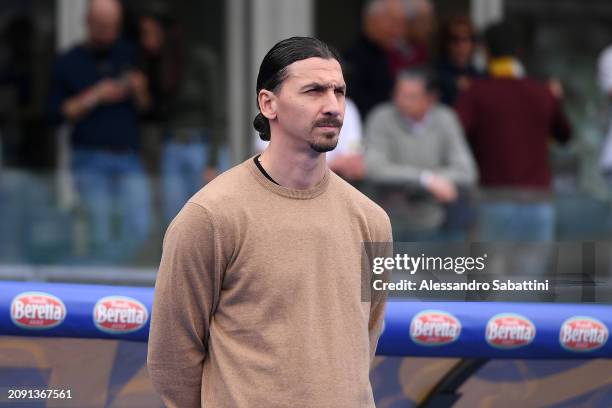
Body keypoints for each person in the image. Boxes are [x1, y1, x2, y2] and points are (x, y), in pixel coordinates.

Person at [147, 37, 392, 407]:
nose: (332, 106)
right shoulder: (210, 217)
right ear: (268, 103)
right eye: (313, 90)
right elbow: (172, 356)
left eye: (339, 92)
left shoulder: (372, 221)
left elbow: (366, 336)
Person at [47, 0, 151, 260]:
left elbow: (148, 109)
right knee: (100, 230)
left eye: (112, 27)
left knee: (140, 224)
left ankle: (125, 277)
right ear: (88, 23)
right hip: (89, 158)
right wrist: (96, 96)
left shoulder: (128, 54)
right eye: (102, 27)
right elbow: (56, 114)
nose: (107, 33)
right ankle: (104, 288)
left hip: (128, 156)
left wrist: (138, 90)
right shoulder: (69, 61)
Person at [455, 21, 571, 243]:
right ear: (520, 52)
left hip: (494, 197)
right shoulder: (543, 92)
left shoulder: (476, 93)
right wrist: (556, 99)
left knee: (494, 273)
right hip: (538, 198)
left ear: (485, 51)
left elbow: (455, 134)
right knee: (531, 276)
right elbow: (565, 135)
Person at [364, 69, 477, 241]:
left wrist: (425, 180)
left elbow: (466, 171)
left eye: (411, 97)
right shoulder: (382, 117)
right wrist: (425, 179)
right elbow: (374, 168)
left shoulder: (445, 119)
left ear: (431, 98)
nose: (401, 101)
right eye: (398, 94)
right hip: (388, 223)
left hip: (435, 221)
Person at [137, 13, 229, 224]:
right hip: (171, 148)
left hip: (202, 146)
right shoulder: (152, 65)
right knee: (176, 222)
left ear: (165, 34)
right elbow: (152, 116)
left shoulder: (200, 60)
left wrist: (212, 161)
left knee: (212, 219)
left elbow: (217, 112)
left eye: (149, 34)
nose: (145, 40)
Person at [344, 0, 409, 118]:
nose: (399, 30)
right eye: (394, 22)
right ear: (372, 20)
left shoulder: (397, 54)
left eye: (403, 23)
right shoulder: (354, 58)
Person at [434, 15, 481, 106]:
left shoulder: (478, 74)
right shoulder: (435, 73)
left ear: (473, 43)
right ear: (446, 44)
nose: (460, 46)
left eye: (465, 40)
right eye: (455, 40)